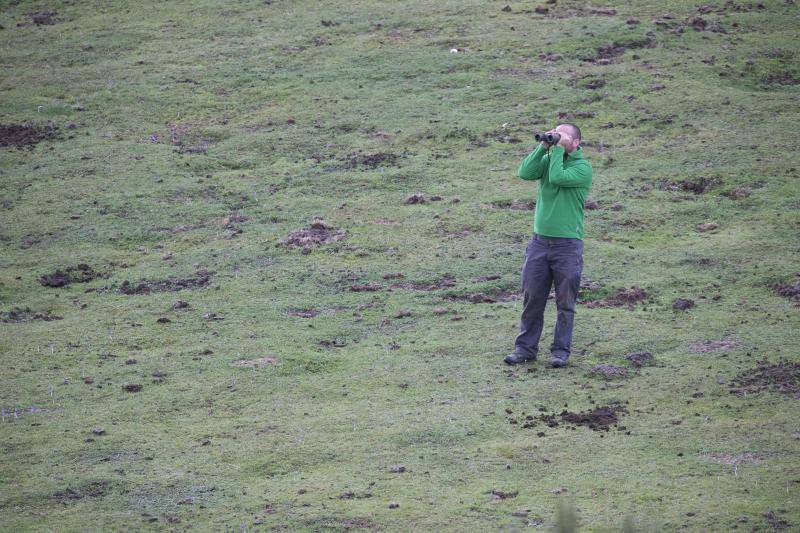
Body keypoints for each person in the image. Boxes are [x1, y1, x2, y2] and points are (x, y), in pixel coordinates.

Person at [504, 123, 593, 368]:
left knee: (565, 302)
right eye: (555, 132)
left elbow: (557, 177)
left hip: (567, 247)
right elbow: (525, 172)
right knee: (532, 298)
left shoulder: (582, 168)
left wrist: (555, 151)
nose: (556, 137)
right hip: (539, 244)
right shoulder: (548, 158)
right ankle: (525, 349)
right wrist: (542, 145)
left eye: (562, 135)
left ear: (576, 143)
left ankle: (560, 352)